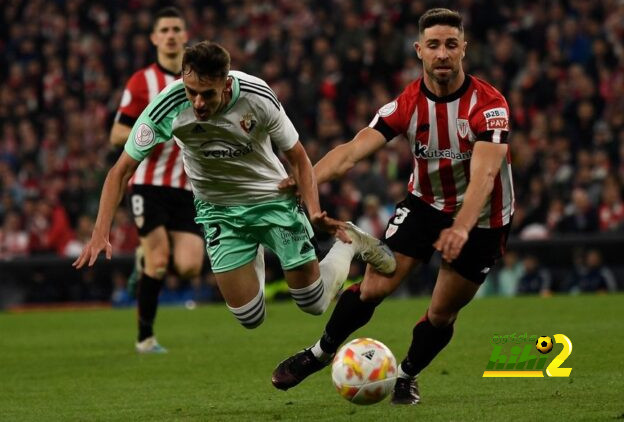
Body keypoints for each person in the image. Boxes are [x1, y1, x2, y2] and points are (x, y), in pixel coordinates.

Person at [271, 8, 514, 405]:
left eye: (451, 45)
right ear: (419, 50)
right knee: (373, 287)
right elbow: (352, 151)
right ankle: (318, 353)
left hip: (483, 220)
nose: (442, 54)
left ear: (464, 49)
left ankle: (407, 375)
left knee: (441, 314)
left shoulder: (489, 105)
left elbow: (486, 179)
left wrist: (461, 228)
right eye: (433, 45)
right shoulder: (407, 103)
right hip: (424, 207)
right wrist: (307, 178)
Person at [74, 41, 396, 338]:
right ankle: (251, 245)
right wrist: (101, 231)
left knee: (311, 302)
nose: (198, 102)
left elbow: (298, 158)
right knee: (250, 317)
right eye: (191, 91)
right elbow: (121, 171)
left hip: (271, 199)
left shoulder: (257, 96)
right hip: (218, 210)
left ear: (226, 84)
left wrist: (312, 211)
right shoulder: (168, 105)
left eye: (207, 94)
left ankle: (350, 241)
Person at [109, 7, 205, 354]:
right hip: (148, 184)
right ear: (154, 38)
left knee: (191, 265)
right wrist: (153, 131)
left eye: (176, 29)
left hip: (188, 186)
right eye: (163, 29)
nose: (169, 34)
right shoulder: (142, 82)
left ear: (185, 36)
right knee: (160, 259)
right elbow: (116, 134)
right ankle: (145, 338)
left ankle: (143, 260)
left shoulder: (199, 79)